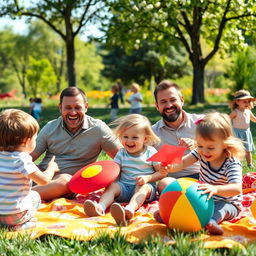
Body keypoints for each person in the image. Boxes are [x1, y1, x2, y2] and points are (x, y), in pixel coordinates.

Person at [160, 112, 245, 235]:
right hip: (205, 198)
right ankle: (167, 216)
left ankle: (211, 222)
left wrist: (215, 189)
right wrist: (170, 167)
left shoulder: (231, 163)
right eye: (200, 145)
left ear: (225, 144)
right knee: (184, 199)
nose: (204, 151)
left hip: (228, 202)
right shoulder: (200, 153)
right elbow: (183, 163)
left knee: (221, 208)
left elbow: (236, 188)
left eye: (210, 148)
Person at [31, 87, 120, 201]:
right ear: (60, 108)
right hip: (42, 177)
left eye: (77, 107)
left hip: (69, 184)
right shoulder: (50, 127)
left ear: (86, 107)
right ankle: (18, 196)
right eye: (68, 108)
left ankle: (19, 198)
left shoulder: (98, 129)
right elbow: (27, 157)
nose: (73, 113)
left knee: (66, 181)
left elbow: (121, 157)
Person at [83, 114, 165, 225]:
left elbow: (161, 173)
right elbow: (115, 170)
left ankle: (130, 209)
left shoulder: (151, 152)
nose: (129, 141)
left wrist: (148, 178)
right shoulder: (121, 153)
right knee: (113, 186)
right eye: (125, 137)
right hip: (124, 188)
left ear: (145, 139)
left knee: (143, 187)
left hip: (144, 190)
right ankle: (99, 207)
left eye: (135, 137)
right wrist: (108, 181)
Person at [0, 109, 59, 231]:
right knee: (35, 195)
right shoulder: (22, 159)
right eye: (35, 138)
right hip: (15, 215)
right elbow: (44, 181)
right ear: (26, 141)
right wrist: (51, 168)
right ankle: (22, 225)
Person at [152, 80, 204, 193]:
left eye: (172, 100)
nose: (169, 105)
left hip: (205, 177)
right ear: (157, 106)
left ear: (182, 100)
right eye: (163, 102)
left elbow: (223, 146)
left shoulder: (203, 122)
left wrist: (196, 144)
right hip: (175, 182)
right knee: (163, 184)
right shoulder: (152, 133)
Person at [229, 89, 256, 168]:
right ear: (237, 102)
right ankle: (236, 163)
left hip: (246, 132)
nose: (247, 103)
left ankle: (250, 164)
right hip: (237, 132)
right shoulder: (235, 112)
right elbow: (227, 119)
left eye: (248, 101)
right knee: (237, 149)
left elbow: (253, 119)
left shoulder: (248, 111)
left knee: (248, 150)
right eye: (244, 101)